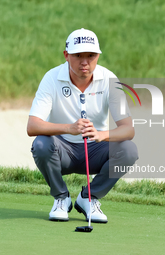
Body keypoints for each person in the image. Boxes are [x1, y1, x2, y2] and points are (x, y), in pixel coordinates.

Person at [27, 28, 138, 223]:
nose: (85, 62)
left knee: (128, 150)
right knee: (41, 144)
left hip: (95, 150)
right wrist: (69, 128)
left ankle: (89, 198)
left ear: (98, 56)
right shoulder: (52, 78)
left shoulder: (110, 80)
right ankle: (61, 198)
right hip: (62, 151)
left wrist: (101, 134)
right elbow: (32, 126)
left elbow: (128, 129)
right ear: (66, 55)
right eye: (78, 55)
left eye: (91, 55)